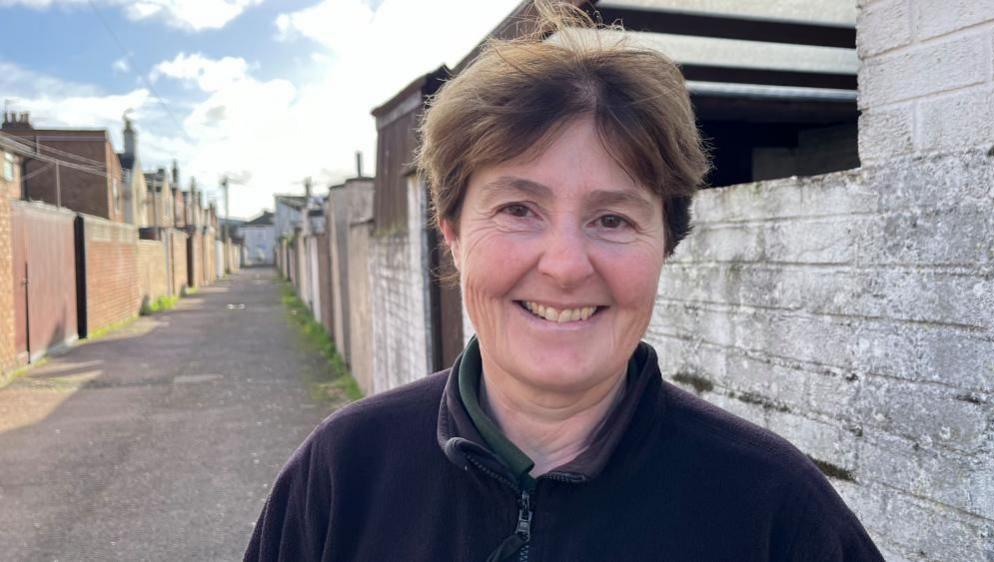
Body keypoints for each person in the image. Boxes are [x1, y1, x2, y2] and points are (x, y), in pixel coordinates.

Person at [244, 3, 884, 560]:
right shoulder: (341, 474)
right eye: (518, 209)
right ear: (453, 234)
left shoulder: (777, 513)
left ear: (666, 245)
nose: (566, 265)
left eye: (612, 218)